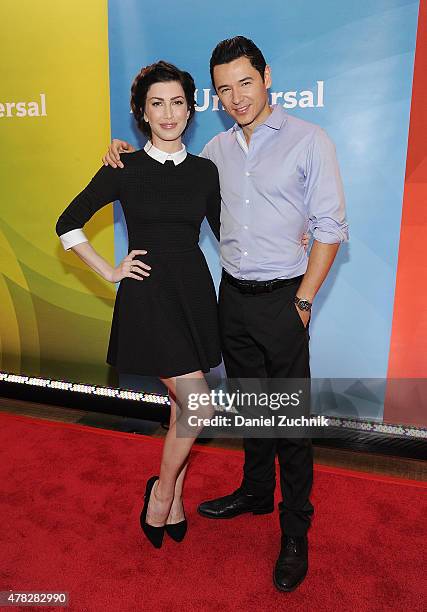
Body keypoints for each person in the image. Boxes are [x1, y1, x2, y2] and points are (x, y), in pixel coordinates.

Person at [104, 37, 348, 592]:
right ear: (213, 97)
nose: (237, 97)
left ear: (266, 77)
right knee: (249, 405)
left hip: (287, 298)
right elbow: (167, 175)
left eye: (245, 82)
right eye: (224, 89)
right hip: (230, 298)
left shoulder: (311, 141)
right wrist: (120, 152)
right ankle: (256, 492)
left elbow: (331, 230)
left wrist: (304, 301)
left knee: (288, 420)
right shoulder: (212, 152)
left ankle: (294, 531)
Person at [55, 61, 223, 549]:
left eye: (177, 102)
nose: (168, 113)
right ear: (141, 112)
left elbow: (231, 235)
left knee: (181, 408)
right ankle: (162, 491)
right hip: (149, 298)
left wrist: (291, 236)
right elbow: (68, 223)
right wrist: (108, 271)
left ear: (191, 110)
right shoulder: (122, 167)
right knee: (198, 407)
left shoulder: (205, 172)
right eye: (157, 103)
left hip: (193, 295)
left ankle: (174, 498)